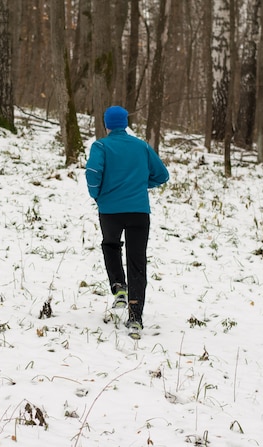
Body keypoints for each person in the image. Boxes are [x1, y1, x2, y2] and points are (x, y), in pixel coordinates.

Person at [85, 105, 169, 336]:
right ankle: (135, 317)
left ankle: (118, 287)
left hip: (110, 211)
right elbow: (162, 175)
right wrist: (142, 184)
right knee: (137, 261)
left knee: (110, 245)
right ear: (125, 123)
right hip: (138, 212)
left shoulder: (100, 146)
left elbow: (93, 172)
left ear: (106, 124)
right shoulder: (141, 146)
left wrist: (97, 194)